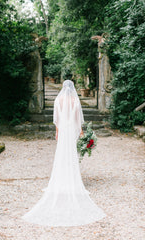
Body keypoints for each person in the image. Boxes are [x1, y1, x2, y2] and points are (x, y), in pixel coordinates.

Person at [22, 80, 106, 226]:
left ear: (63, 88)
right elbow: (77, 118)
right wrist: (80, 133)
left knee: (61, 155)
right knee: (71, 154)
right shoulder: (75, 99)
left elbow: (57, 119)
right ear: (72, 88)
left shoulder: (58, 99)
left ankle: (60, 180)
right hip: (71, 130)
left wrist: (57, 132)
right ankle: (71, 180)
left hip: (63, 131)